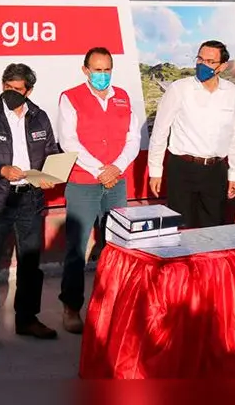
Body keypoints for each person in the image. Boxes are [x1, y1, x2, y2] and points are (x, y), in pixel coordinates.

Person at [0, 63, 60, 350]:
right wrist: (0, 169)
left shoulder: (40, 118)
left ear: (29, 90)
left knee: (30, 266)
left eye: (18, 90)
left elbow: (51, 151)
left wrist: (51, 174)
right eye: (8, 88)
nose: (12, 94)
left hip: (30, 199)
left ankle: (27, 319)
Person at [56, 47, 141, 334]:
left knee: (116, 245)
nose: (102, 75)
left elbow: (133, 137)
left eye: (107, 70)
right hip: (83, 182)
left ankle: (112, 304)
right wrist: (99, 170)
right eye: (97, 70)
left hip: (116, 182)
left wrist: (115, 168)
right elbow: (68, 141)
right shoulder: (70, 98)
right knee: (76, 249)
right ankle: (71, 307)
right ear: (85, 70)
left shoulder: (123, 97)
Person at [147, 40, 235, 229]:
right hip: (182, 168)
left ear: (222, 66)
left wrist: (234, 174)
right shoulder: (179, 89)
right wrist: (155, 171)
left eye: (210, 61)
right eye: (200, 59)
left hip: (216, 171)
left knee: (213, 229)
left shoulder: (232, 93)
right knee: (180, 228)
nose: (202, 64)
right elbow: (160, 131)